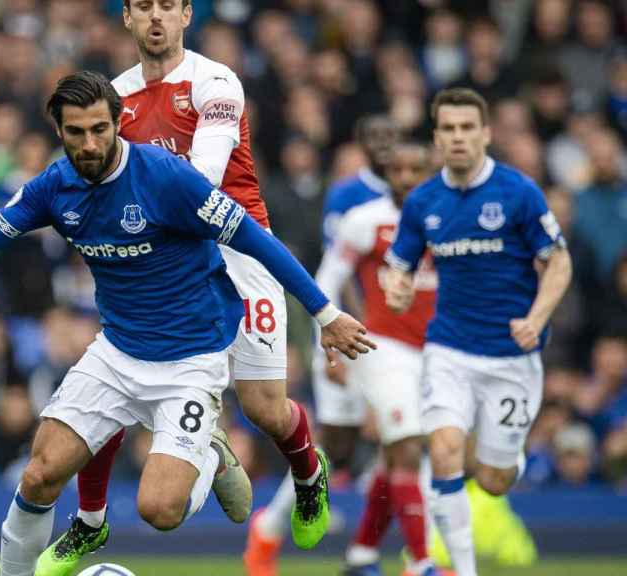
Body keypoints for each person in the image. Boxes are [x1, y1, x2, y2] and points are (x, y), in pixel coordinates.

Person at [0, 71, 375, 576]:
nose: (90, 143)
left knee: (160, 510)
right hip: (117, 354)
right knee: (39, 474)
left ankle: (210, 456)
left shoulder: (166, 180)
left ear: (118, 122)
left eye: (100, 129)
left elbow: (258, 242)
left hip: (191, 360)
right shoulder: (54, 187)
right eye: (77, 133)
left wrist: (324, 313)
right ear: (60, 131)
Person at [47, 4, 338, 574]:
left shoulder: (215, 81)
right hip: (166, 256)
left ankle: (308, 471)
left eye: (167, 5)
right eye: (143, 6)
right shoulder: (113, 96)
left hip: (237, 246)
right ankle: (89, 519)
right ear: (127, 18)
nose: (156, 17)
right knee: (115, 375)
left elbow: (202, 177)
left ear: (185, 14)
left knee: (264, 408)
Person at [384, 88, 572, 576]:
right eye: (448, 128)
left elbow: (558, 263)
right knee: (444, 449)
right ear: (437, 138)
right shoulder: (423, 200)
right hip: (449, 349)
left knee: (493, 479)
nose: (458, 137)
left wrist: (537, 318)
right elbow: (398, 266)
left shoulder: (518, 193)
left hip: (511, 356)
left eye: (468, 127)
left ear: (486, 134)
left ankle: (508, 456)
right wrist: (398, 288)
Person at [244, 114, 399, 576]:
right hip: (349, 330)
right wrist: (339, 342)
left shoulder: (420, 195)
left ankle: (414, 555)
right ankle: (269, 528)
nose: (382, 143)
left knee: (407, 440)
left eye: (389, 134)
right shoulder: (349, 196)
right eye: (372, 134)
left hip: (400, 338)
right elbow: (341, 270)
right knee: (341, 449)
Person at [316, 142, 440, 576]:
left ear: (430, 171)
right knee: (408, 451)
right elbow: (327, 278)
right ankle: (422, 563)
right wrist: (328, 337)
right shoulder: (364, 221)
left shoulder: (446, 219)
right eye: (398, 169)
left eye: (415, 169)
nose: (405, 177)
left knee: (394, 458)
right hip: (381, 348)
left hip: (433, 352)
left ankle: (362, 555)